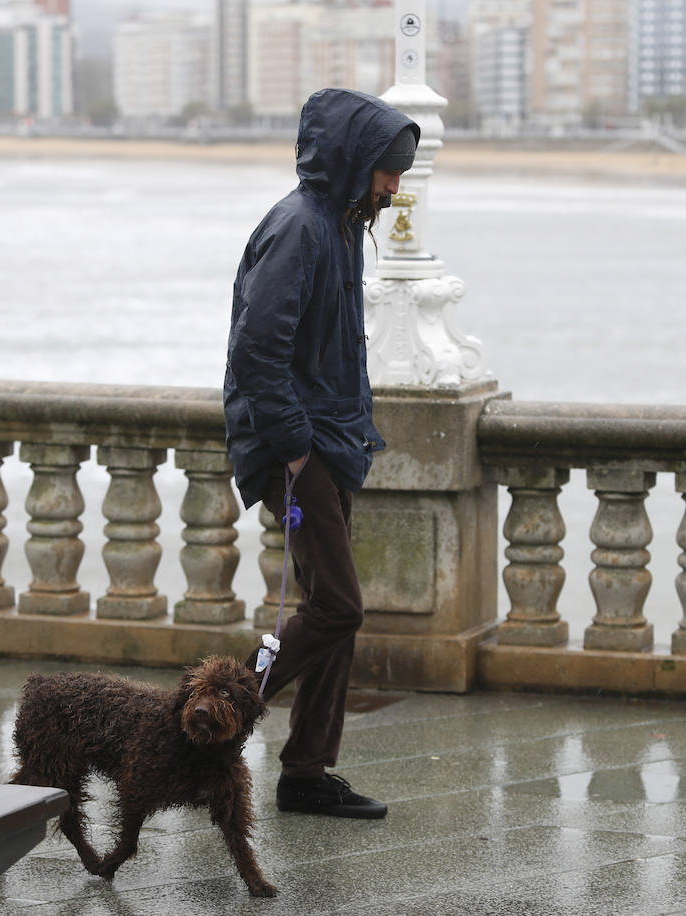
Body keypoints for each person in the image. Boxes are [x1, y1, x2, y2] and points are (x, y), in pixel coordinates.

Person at [223, 88, 418, 820]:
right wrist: (297, 449)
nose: (395, 188)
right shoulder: (300, 228)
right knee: (337, 606)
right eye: (387, 171)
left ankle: (306, 772)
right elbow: (255, 351)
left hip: (330, 443)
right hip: (299, 449)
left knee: (329, 609)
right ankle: (212, 711)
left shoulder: (338, 223)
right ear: (354, 161)